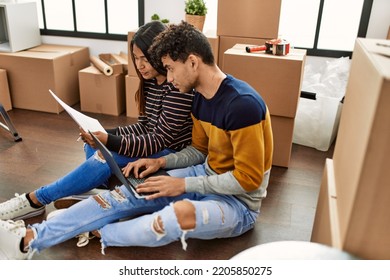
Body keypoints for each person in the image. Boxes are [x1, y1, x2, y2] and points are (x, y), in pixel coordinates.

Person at [0, 21, 273, 260]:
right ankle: (28, 239)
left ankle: (95, 229)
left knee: (173, 217)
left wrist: (181, 183)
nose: (169, 77)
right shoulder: (201, 97)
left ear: (192, 61)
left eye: (170, 68)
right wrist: (162, 162)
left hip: (238, 204)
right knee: (125, 195)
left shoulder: (243, 106)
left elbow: (248, 180)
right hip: (204, 174)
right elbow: (199, 151)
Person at [0, 21, 193, 221]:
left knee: (103, 154)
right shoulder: (151, 82)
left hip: (169, 153)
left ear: (160, 54)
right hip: (152, 144)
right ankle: (92, 192)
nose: (140, 65)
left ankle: (35, 199)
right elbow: (144, 125)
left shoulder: (177, 87)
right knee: (92, 147)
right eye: (136, 58)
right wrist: (105, 133)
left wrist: (109, 140)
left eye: (145, 58)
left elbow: (157, 140)